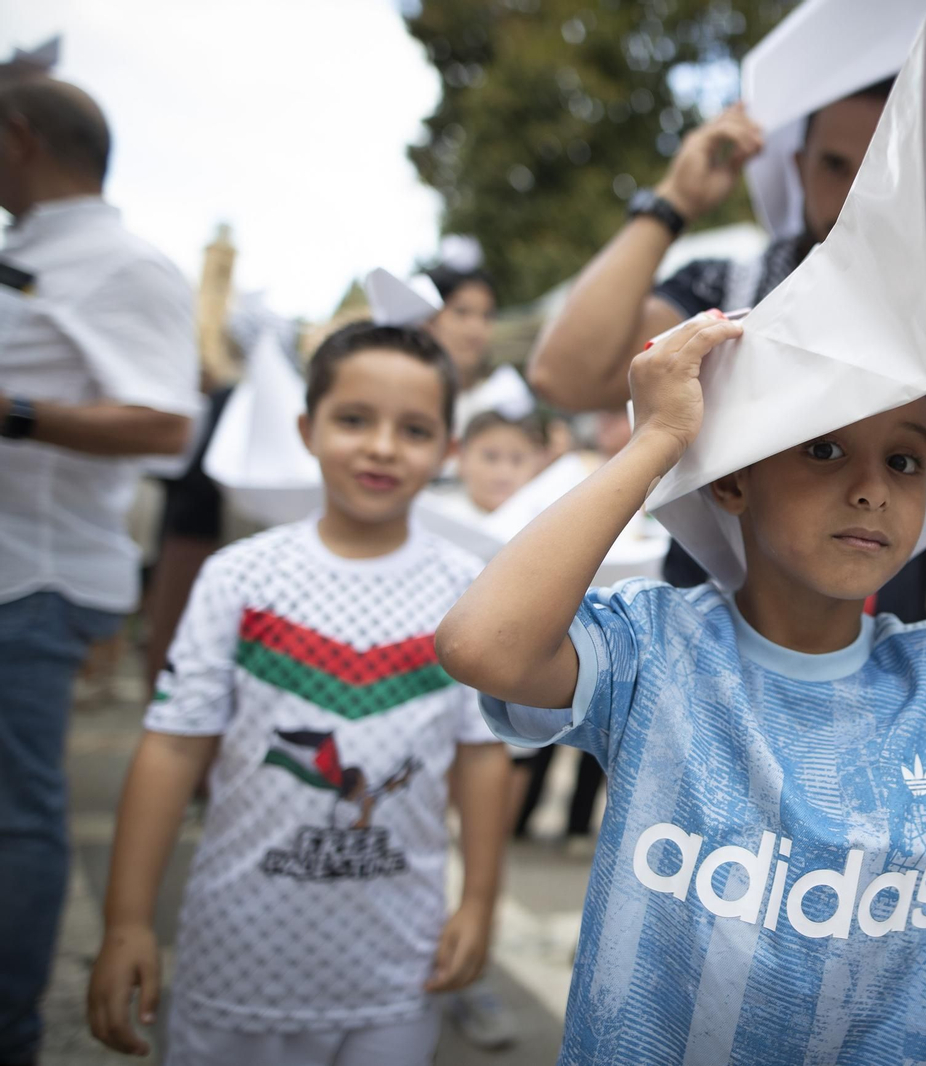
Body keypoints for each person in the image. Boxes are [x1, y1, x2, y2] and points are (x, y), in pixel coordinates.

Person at [435, 306, 926, 1062]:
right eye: (822, 447)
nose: (872, 487)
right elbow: (483, 647)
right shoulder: (656, 648)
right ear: (732, 478)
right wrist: (659, 442)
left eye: (905, 458)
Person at [528, 87, 926, 620]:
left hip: (893, 686)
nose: (853, 198)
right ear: (799, 166)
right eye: (835, 166)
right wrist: (671, 203)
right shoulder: (726, 295)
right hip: (703, 660)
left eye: (902, 459)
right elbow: (566, 375)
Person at [84, 322, 510, 1065]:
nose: (381, 446)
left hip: (395, 971)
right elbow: (173, 747)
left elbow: (481, 758)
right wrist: (127, 921)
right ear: (307, 430)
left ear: (445, 451)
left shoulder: (469, 591)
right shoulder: (240, 578)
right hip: (236, 959)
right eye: (354, 420)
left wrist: (477, 901)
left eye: (413, 429)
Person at [0, 74, 200, 1065]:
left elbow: (166, 423)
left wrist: (16, 413)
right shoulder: (29, 251)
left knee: (14, 818)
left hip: (28, 584)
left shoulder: (123, 265)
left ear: (20, 136)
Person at [420, 263, 505, 429]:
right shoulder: (405, 397)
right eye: (461, 312)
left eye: (487, 316)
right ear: (429, 320)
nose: (476, 329)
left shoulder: (505, 399)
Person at [456, 411, 549, 515]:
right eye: (491, 457)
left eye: (517, 460)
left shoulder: (550, 523)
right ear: (462, 458)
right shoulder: (443, 514)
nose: (504, 473)